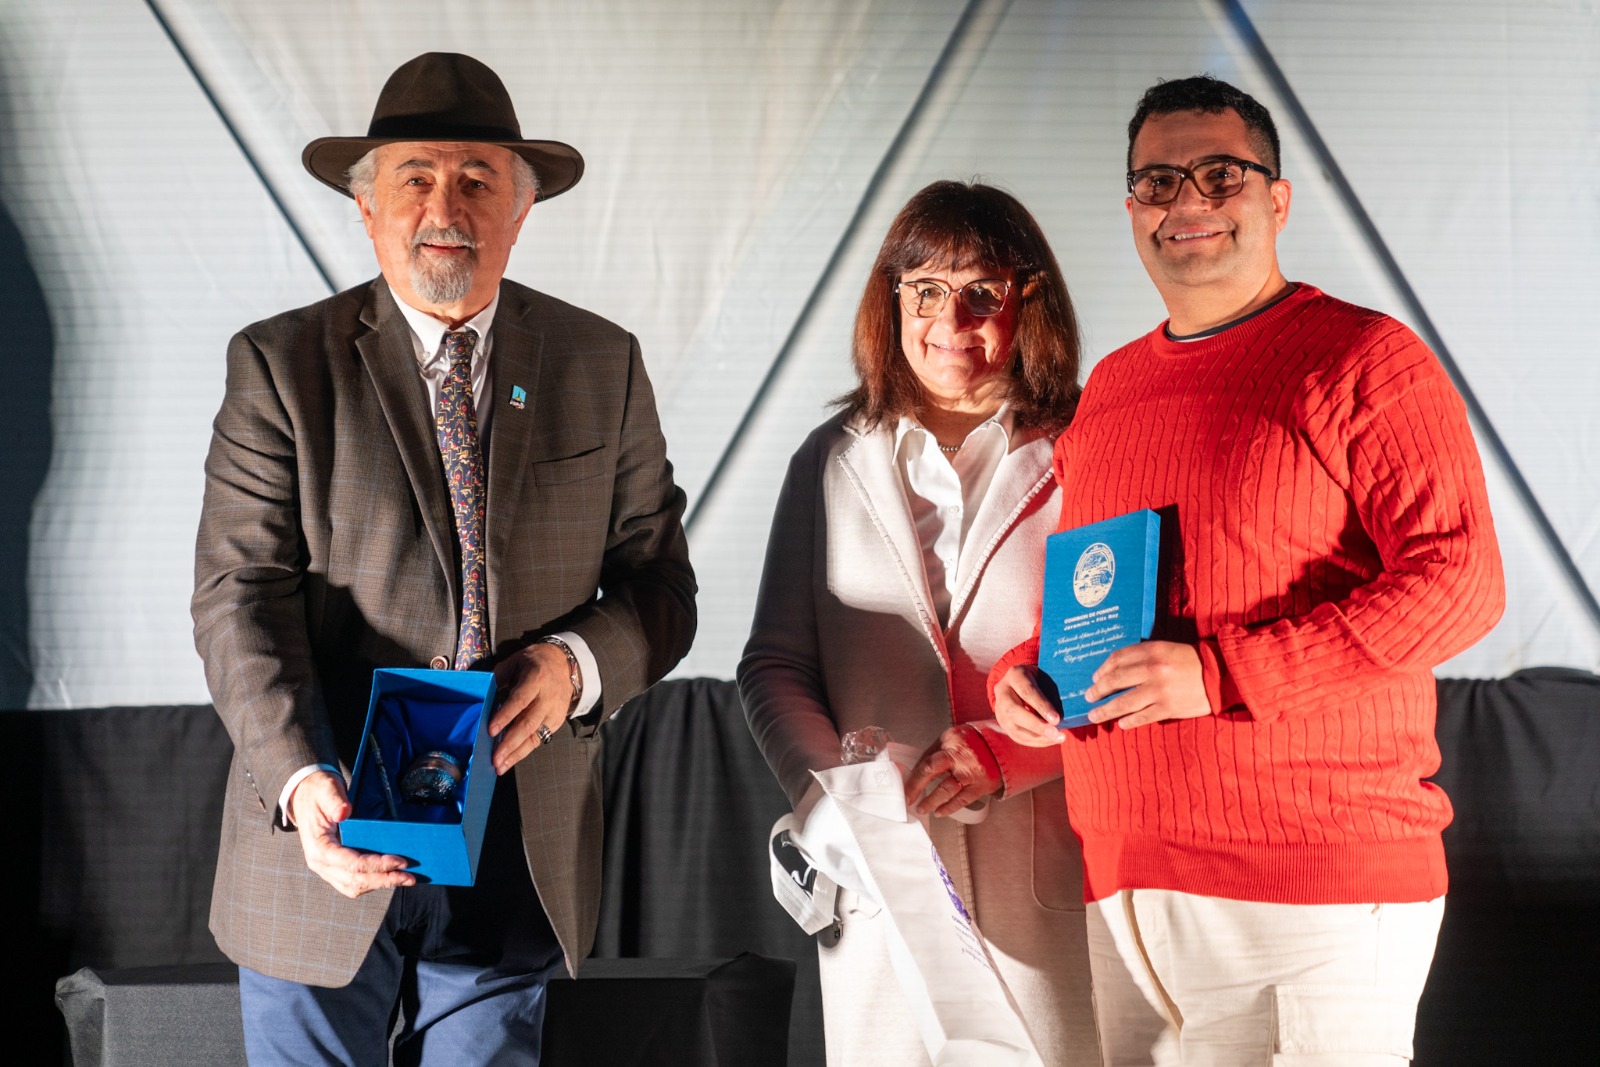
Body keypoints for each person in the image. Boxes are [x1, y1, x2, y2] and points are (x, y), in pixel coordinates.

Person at [192, 52, 696, 1065]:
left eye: (477, 179)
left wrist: (574, 667)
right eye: (415, 175)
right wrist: (301, 781)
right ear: (367, 208)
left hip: (513, 848)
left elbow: (661, 586)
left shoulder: (604, 363)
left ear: (520, 210)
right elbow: (237, 597)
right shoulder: (279, 365)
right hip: (323, 844)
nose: (445, 204)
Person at [990, 75, 1504, 1064]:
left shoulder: (1363, 358)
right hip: (1120, 881)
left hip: (1308, 889)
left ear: (1275, 199)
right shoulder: (1111, 388)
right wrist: (1037, 667)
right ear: (1131, 208)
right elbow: (1112, 593)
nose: (1185, 201)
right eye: (1156, 180)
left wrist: (1222, 673)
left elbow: (1460, 580)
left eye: (1218, 173)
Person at [740, 180, 1100, 1066]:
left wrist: (1008, 756)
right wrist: (829, 797)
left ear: (1030, 302)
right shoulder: (829, 460)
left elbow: (1121, 659)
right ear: (891, 301)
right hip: (882, 891)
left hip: (1052, 881)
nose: (952, 318)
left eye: (984, 291)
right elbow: (776, 663)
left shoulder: (1094, 445)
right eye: (926, 291)